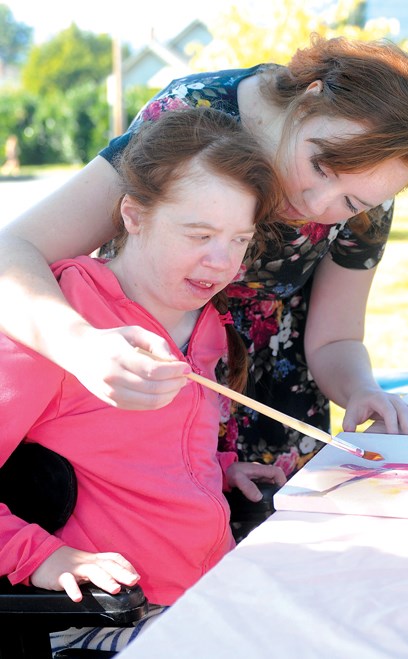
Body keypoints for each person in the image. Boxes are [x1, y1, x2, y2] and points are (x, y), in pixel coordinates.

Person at [0, 35, 408, 480]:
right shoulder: (194, 115)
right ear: (309, 98)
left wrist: (362, 390)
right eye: (320, 166)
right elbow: (14, 251)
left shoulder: (375, 189)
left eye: (353, 203)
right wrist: (79, 344)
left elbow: (335, 338)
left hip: (274, 414)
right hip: (139, 395)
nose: (319, 206)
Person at [0, 107, 286, 653]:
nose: (222, 262)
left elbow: (128, 449)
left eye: (239, 240)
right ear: (133, 215)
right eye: (199, 234)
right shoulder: (58, 319)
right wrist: (38, 556)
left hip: (208, 594)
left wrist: (217, 471)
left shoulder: (205, 322)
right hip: (100, 622)